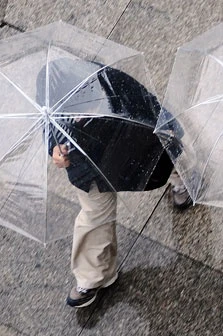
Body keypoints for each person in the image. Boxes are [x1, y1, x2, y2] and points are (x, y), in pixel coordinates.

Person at [41, 58, 173, 308]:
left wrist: (169, 128)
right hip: (87, 166)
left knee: (163, 158)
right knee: (94, 216)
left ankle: (182, 179)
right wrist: (54, 150)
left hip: (127, 142)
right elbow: (47, 126)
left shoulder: (111, 82)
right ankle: (93, 277)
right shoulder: (50, 86)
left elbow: (148, 107)